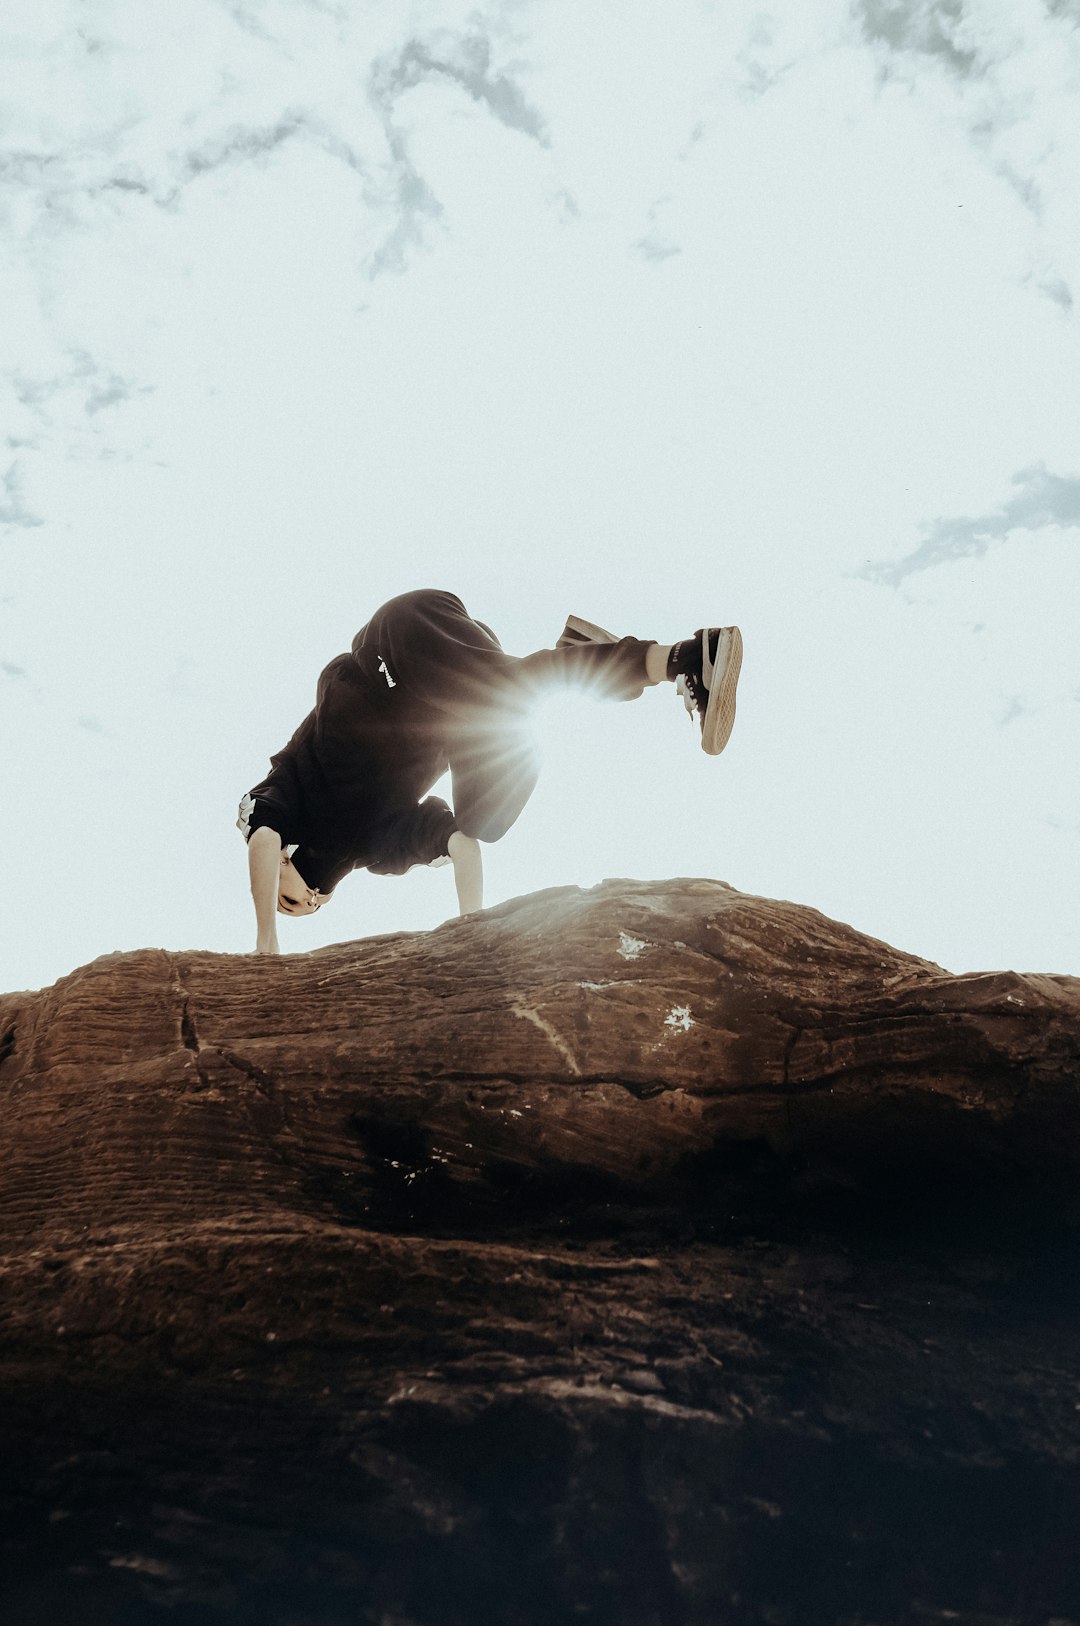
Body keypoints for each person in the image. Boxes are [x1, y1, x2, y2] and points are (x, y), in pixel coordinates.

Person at [237, 589, 742, 954]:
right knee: (485, 819)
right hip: (452, 707)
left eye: (287, 898)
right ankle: (580, 656)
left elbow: (261, 837)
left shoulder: (289, 795)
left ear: (282, 860)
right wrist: (470, 930)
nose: (308, 901)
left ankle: (688, 657)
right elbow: (461, 845)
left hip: (394, 649)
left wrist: (266, 939)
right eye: (308, 907)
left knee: (496, 690)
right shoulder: (377, 849)